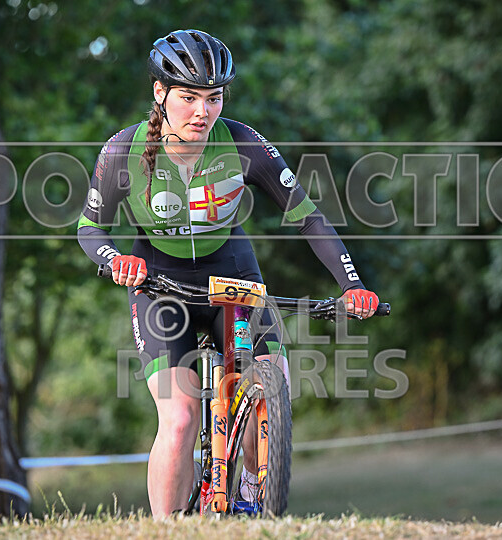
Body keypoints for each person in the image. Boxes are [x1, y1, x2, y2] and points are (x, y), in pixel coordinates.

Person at [77, 29, 379, 517]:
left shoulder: (244, 142)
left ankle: (252, 497)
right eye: (189, 97)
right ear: (161, 93)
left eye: (213, 98)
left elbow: (309, 217)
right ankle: (164, 528)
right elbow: (89, 229)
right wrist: (116, 260)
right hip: (160, 288)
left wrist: (352, 284)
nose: (202, 112)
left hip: (233, 275)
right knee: (179, 420)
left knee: (273, 385)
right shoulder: (122, 153)